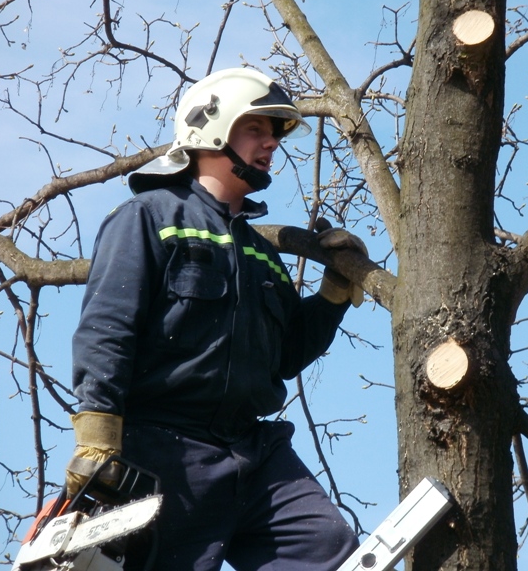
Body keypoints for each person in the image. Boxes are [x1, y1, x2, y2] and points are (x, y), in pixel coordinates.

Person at [64, 68, 365, 570]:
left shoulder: (261, 253)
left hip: (253, 450)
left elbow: (287, 354)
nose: (271, 143)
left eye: (274, 133)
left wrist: (333, 294)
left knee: (328, 548)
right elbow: (107, 327)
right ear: (211, 130)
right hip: (163, 449)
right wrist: (97, 433)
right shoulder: (148, 218)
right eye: (256, 128)